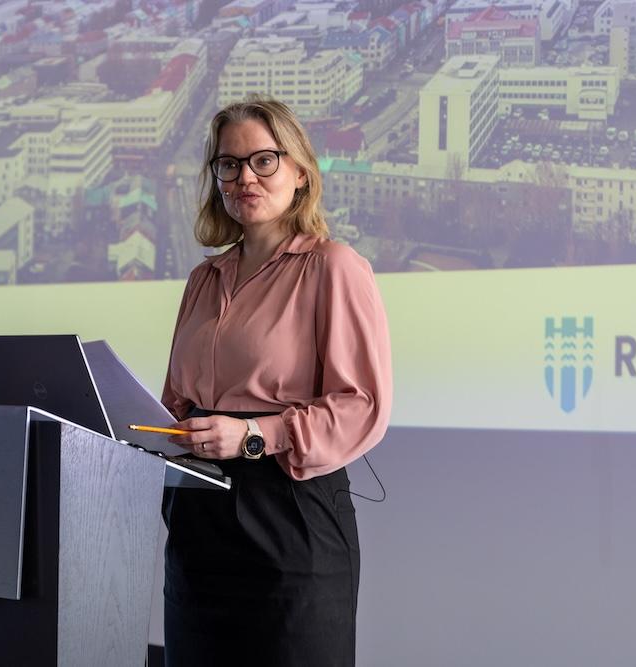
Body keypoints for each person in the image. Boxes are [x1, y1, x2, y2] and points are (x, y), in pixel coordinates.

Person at [159, 96, 392, 667]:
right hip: (198, 522)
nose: (245, 177)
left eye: (264, 160)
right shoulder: (202, 278)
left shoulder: (334, 267)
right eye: (229, 164)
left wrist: (253, 435)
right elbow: (175, 400)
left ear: (301, 173)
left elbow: (362, 406)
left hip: (289, 515)